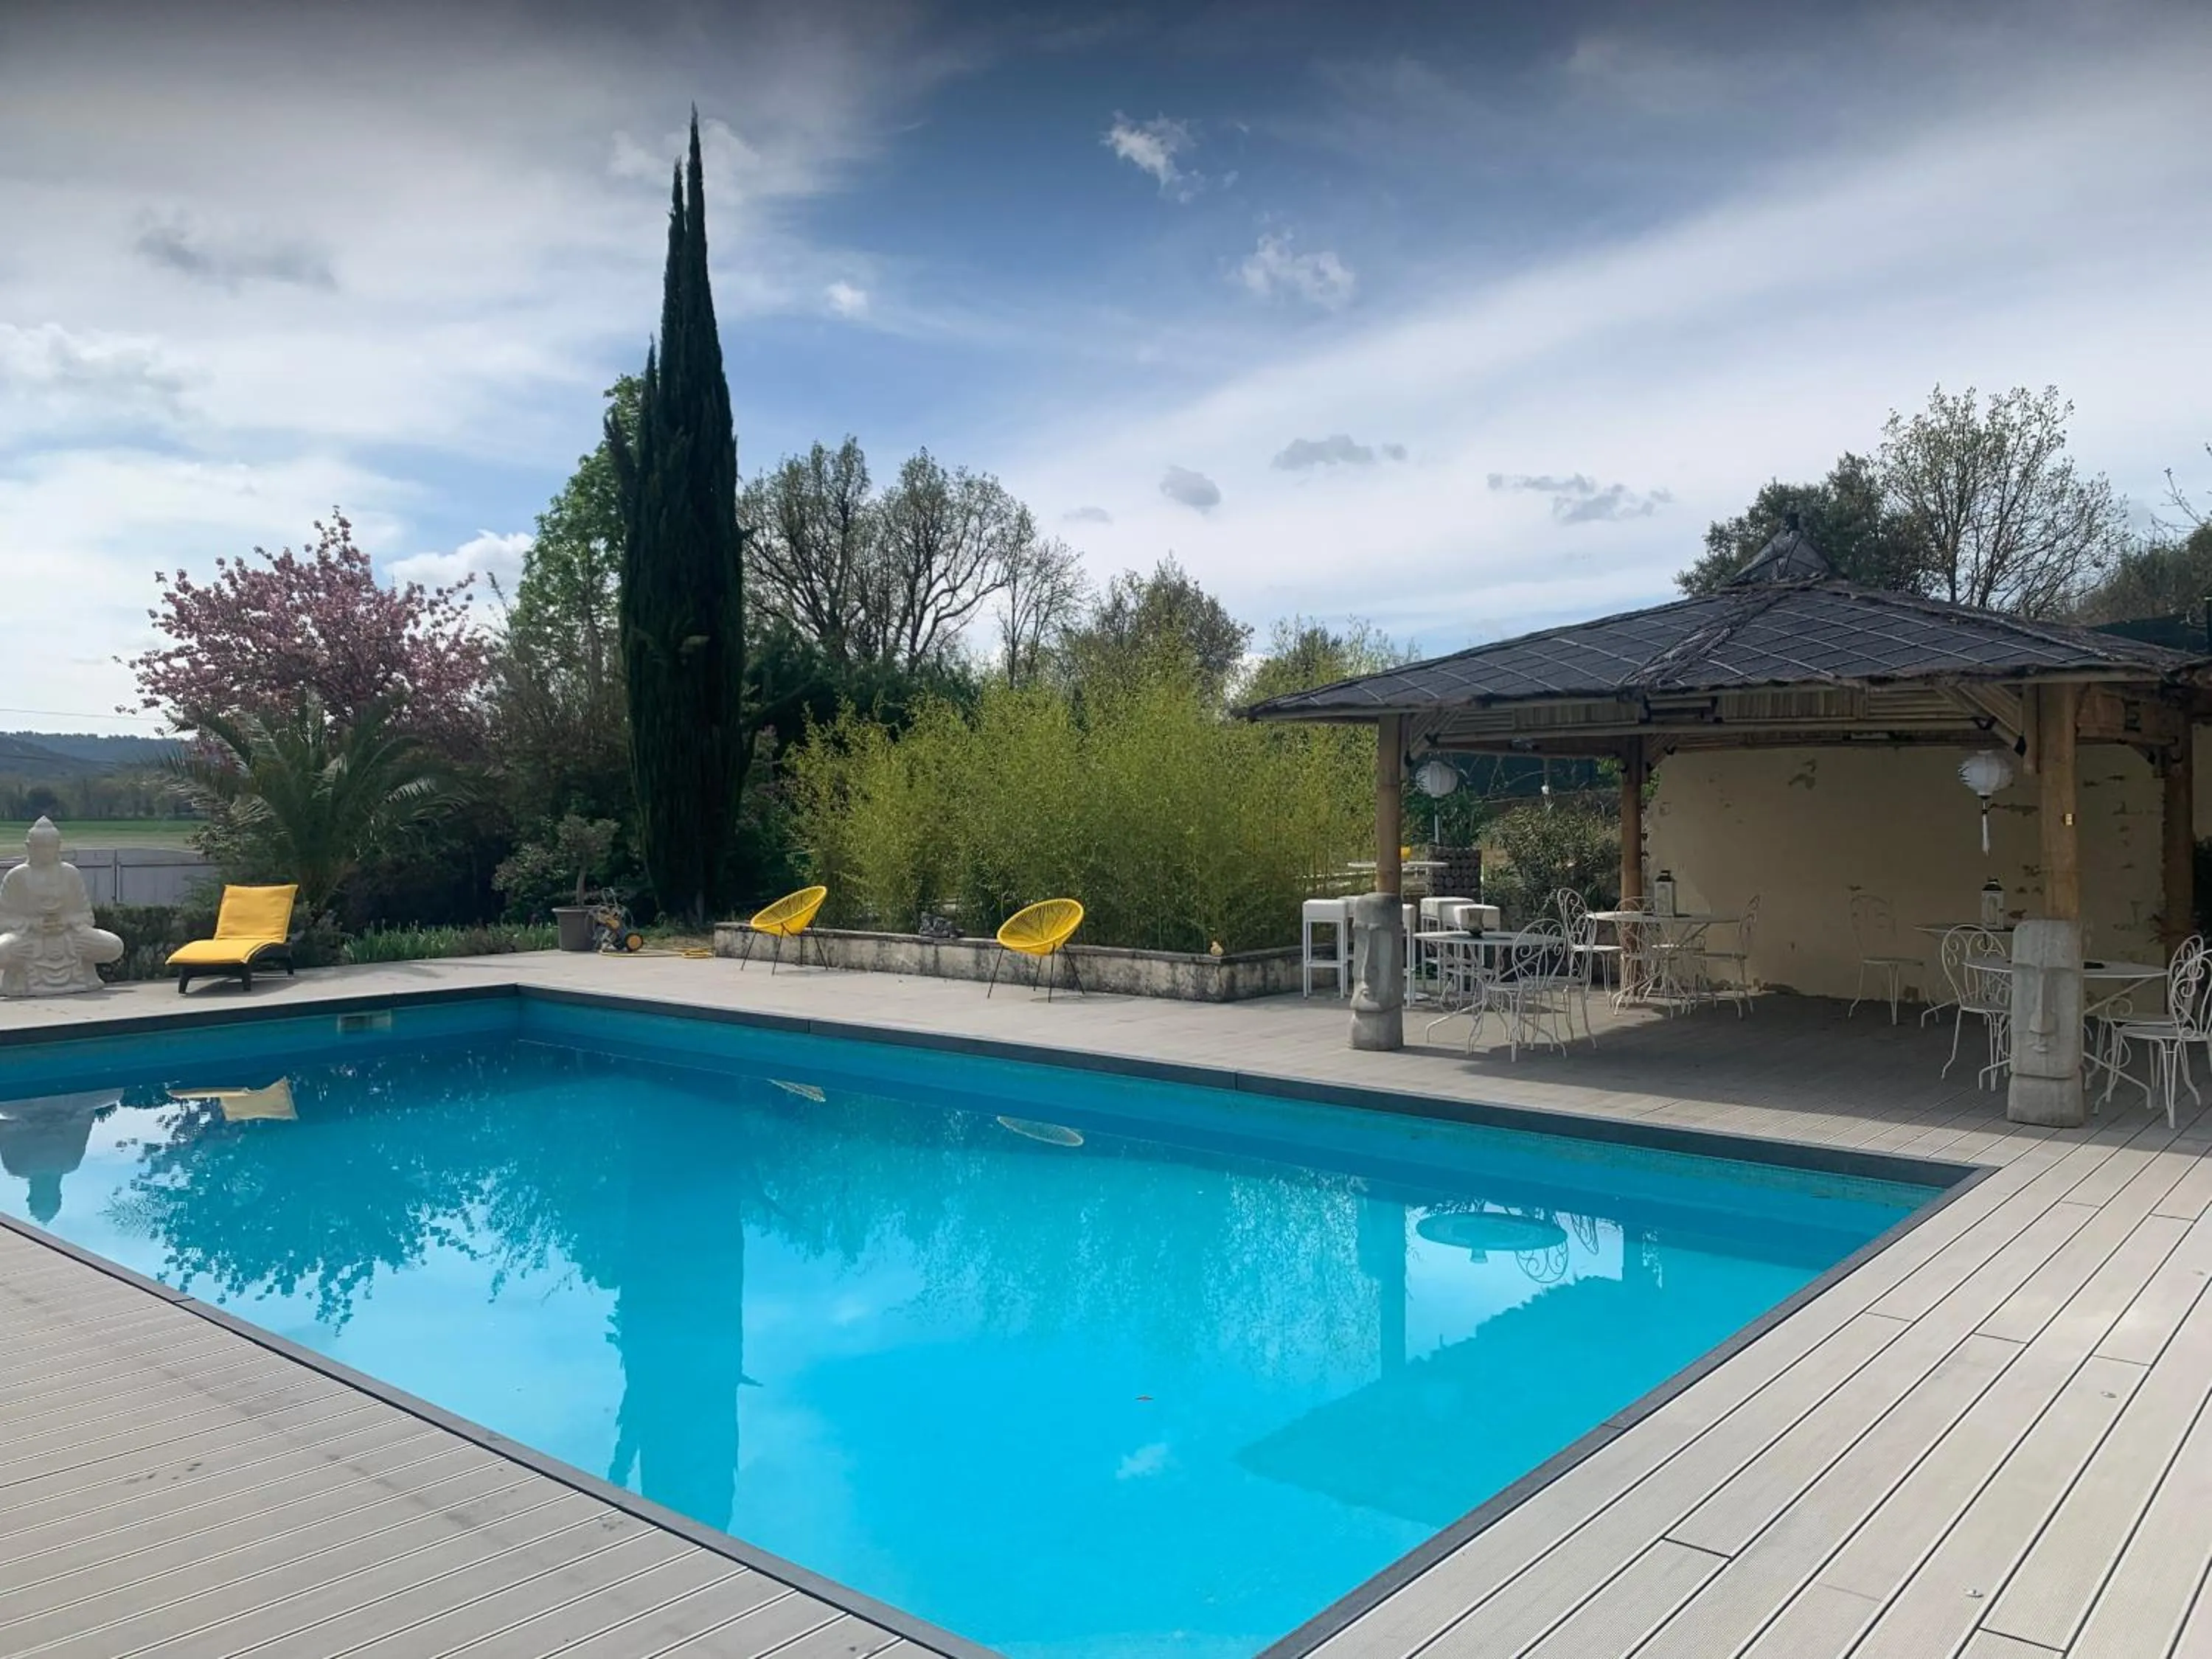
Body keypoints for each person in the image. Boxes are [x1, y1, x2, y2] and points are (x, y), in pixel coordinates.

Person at [0, 817, 123, 996]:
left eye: (50, 846)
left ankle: (83, 976)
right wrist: (34, 925)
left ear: (58, 846)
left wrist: (65, 922)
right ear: (29, 847)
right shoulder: (17, 876)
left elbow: (87, 917)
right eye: (40, 847)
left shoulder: (70, 873)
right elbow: (4, 920)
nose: (45, 852)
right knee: (3, 951)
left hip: (70, 936)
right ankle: (18, 981)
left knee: (114, 946)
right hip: (28, 938)